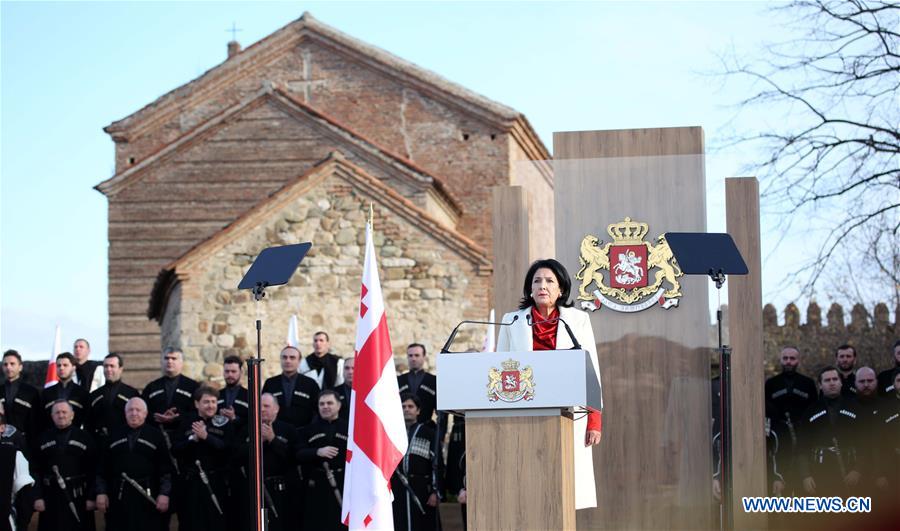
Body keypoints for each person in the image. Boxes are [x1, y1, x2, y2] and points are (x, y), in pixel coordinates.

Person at [496, 258, 602, 510]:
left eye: (549, 281)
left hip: (568, 414)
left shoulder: (577, 320)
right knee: (529, 487)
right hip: (523, 413)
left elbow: (591, 371)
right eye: (536, 281)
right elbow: (499, 370)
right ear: (529, 289)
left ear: (561, 289)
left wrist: (594, 419)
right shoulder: (512, 321)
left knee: (564, 488)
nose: (542, 286)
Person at [94, 397, 171, 531]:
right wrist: (101, 492)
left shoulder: (156, 435)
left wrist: (165, 494)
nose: (134, 413)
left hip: (148, 496)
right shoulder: (113, 435)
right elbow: (102, 467)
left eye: (138, 410)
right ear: (125, 414)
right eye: (130, 410)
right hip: (118, 497)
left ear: (145, 414)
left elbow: (166, 468)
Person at [231, 393, 299, 531]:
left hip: (280, 490)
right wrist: (256, 443)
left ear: (276, 409)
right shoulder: (246, 429)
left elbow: (292, 458)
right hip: (253, 489)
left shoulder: (288, 429)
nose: (262, 409)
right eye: (259, 406)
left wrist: (273, 439)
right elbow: (235, 458)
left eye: (266, 406)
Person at [172, 386, 233, 529]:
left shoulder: (224, 423)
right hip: (191, 484)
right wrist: (192, 439)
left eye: (214, 402)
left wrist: (206, 437)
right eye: (206, 402)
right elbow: (175, 450)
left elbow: (228, 450)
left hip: (216, 482)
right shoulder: (186, 422)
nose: (211, 405)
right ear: (196, 404)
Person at [32, 400, 98, 531]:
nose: (61, 415)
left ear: (72, 415)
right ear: (52, 416)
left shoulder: (85, 438)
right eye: (57, 412)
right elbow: (35, 470)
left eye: (64, 412)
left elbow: (94, 469)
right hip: (50, 497)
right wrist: (37, 497)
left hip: (78, 496)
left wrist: (92, 497)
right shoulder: (42, 438)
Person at [796, 366, 860, 497]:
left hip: (849, 472)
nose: (832, 383)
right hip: (820, 473)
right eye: (827, 380)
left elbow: (867, 442)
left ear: (841, 382)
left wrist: (858, 470)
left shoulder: (856, 407)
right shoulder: (810, 411)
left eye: (835, 379)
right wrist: (805, 476)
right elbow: (801, 447)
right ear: (820, 385)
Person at [763, 346, 817, 493]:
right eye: (785, 358)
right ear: (780, 360)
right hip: (780, 440)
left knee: (803, 486)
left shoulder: (808, 384)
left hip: (803, 437)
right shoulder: (771, 384)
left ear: (798, 361)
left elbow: (814, 411)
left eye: (792, 359)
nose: (788, 362)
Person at [296, 389, 348, 531]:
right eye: (322, 404)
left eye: (329, 403)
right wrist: (317, 452)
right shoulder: (308, 430)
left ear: (339, 405)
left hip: (344, 483)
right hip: (318, 486)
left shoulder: (349, 428)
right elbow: (298, 454)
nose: (325, 407)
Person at [391, 394, 442, 531]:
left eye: (410, 406)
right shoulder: (391, 434)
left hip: (422, 489)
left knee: (422, 524)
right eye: (403, 407)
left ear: (418, 411)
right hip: (397, 488)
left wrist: (435, 491)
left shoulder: (429, 433)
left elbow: (437, 465)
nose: (406, 409)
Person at [261, 346, 320, 429]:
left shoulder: (310, 384)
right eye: (284, 357)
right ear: (280, 360)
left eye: (292, 358)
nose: (288, 361)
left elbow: (317, 411)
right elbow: (263, 408)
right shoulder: (270, 383)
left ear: (299, 361)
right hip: (276, 433)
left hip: (303, 432)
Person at [86, 353, 139, 442]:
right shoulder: (95, 395)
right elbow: (88, 423)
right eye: (106, 366)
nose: (108, 369)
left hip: (124, 442)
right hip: (99, 444)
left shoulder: (131, 394)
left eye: (112, 366)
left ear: (120, 369)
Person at [1, 350, 41, 450]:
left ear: (20, 367)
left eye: (12, 364)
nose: (8, 367)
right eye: (5, 364)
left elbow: (37, 421)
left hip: (25, 444)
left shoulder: (31, 392)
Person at [41, 353, 90, 430]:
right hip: (51, 438)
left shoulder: (83, 394)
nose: (61, 368)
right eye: (59, 365)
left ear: (73, 368)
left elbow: (88, 420)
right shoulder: (46, 393)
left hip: (75, 437)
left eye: (65, 365)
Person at [397, 344, 437, 426]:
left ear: (424, 357)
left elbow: (441, 413)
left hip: (426, 429)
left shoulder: (433, 381)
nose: (413, 358)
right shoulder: (398, 381)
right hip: (402, 429)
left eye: (417, 355)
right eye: (410, 356)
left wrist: (440, 435)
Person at [217, 355, 249, 432]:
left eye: (233, 371)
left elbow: (252, 421)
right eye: (227, 371)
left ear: (241, 372)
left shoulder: (249, 396)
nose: (230, 375)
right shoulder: (217, 395)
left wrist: (234, 418)